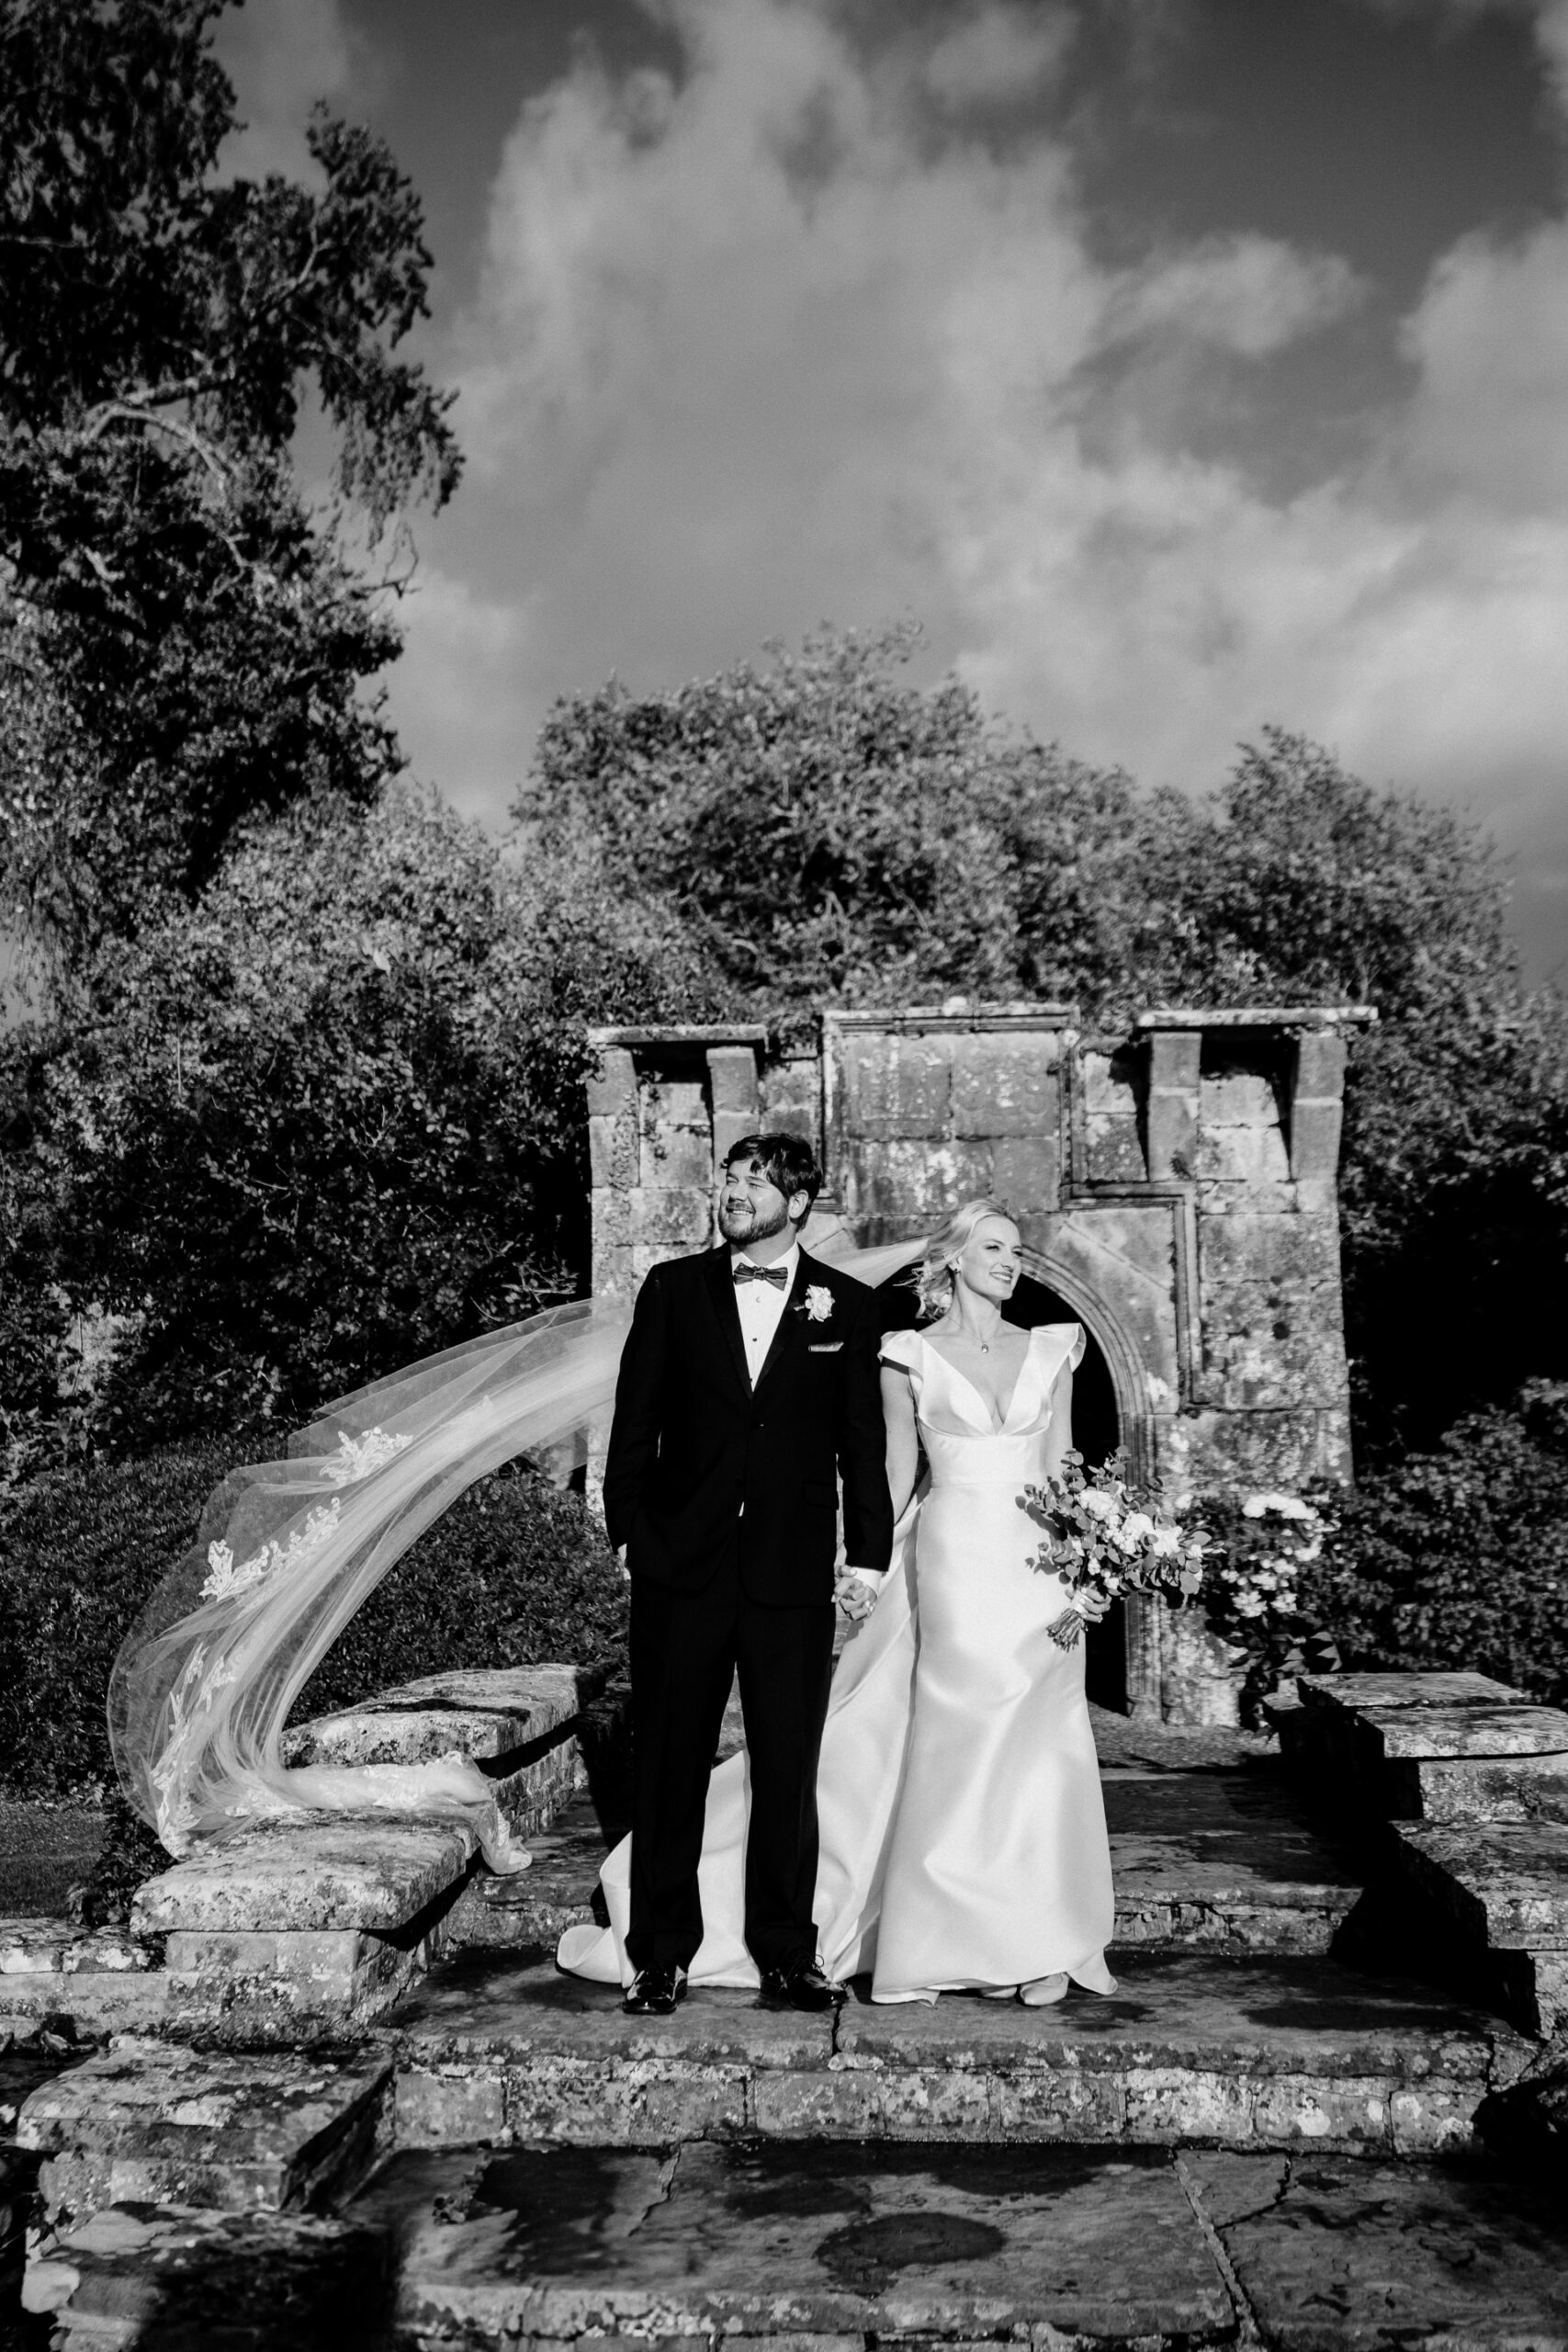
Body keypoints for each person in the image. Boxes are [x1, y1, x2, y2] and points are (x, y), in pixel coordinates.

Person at [558, 1198, 1119, 2006]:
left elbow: (1068, 1473)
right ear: (954, 1257)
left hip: (1040, 1577)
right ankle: (950, 1932)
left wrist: (1096, 1566)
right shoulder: (906, 1355)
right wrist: (865, 1566)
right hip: (956, 1567)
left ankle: (1035, 1937)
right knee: (963, 1740)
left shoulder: (1053, 1351)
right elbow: (884, 1473)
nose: (1012, 1260)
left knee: (1038, 1750)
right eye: (995, 1246)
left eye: (1018, 1249)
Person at [601, 1132, 894, 2017]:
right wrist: (628, 1533)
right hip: (678, 1567)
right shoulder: (673, 1290)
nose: (735, 1192)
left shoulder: (846, 1306)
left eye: (756, 1182)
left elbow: (861, 1448)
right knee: (669, 1763)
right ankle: (659, 1953)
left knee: (786, 1766)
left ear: (797, 1203)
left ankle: (784, 1952)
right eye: (729, 1178)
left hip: (789, 1573)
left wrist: (869, 1556)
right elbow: (634, 1422)